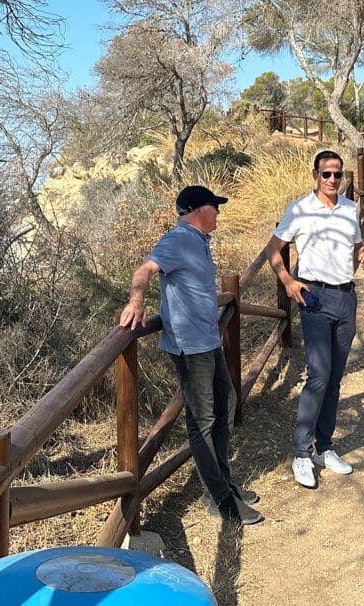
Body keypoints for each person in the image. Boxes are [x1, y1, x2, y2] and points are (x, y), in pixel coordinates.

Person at [118, 184, 263, 527]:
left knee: (226, 402)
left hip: (207, 341)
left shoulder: (199, 242)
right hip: (189, 345)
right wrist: (136, 300)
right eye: (215, 206)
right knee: (203, 421)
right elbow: (144, 270)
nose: (219, 212)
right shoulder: (178, 239)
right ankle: (219, 499)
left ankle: (222, 483)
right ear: (199, 209)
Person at [263, 150, 364, 489]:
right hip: (314, 297)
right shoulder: (299, 209)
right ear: (315, 175)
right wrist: (288, 281)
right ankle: (301, 452)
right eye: (326, 174)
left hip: (346, 297)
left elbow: (357, 246)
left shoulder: (348, 209)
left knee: (335, 378)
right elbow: (273, 249)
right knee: (318, 375)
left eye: (337, 174)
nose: (332, 180)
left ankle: (324, 447)